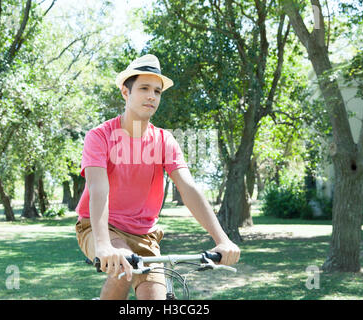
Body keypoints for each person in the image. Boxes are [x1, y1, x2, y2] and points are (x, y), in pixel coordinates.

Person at [75, 54, 240, 300]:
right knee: (122, 266)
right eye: (144, 88)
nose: (152, 96)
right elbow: (99, 189)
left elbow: (188, 188)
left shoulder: (165, 140)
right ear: (125, 93)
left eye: (157, 91)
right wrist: (103, 245)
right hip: (100, 228)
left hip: (145, 234)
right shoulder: (99, 136)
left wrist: (222, 240)